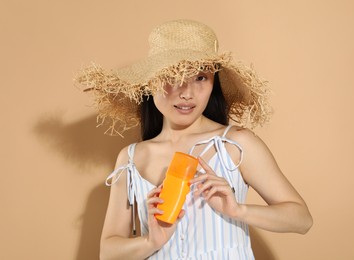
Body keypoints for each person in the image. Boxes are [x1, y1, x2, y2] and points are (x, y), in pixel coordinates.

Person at [76, 19, 313, 260]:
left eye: (200, 77)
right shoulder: (132, 157)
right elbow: (108, 252)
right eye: (171, 76)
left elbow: (301, 219)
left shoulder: (235, 144)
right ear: (150, 83)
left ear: (214, 83)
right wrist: (151, 242)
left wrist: (238, 210)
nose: (187, 93)